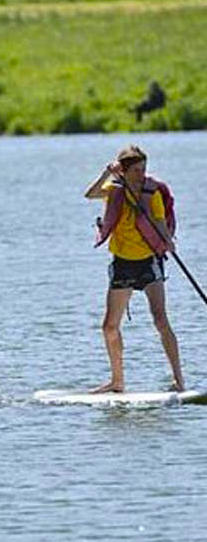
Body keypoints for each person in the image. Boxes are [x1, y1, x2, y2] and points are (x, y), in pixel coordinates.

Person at [84, 144, 183, 393]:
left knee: (160, 320)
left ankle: (179, 381)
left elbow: (160, 223)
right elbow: (90, 194)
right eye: (136, 170)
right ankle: (117, 382)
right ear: (124, 171)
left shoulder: (152, 192)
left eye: (143, 169)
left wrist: (168, 242)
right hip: (122, 263)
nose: (142, 174)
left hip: (149, 261)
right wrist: (108, 172)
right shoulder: (114, 188)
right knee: (109, 326)